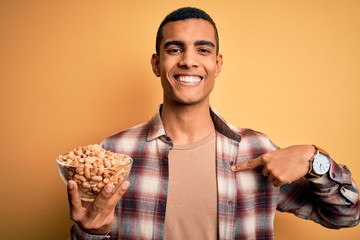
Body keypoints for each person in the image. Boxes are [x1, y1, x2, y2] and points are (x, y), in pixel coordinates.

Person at [67, 7, 359, 240]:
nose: (189, 60)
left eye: (203, 50)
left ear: (217, 64)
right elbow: (90, 227)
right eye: (175, 49)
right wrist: (91, 234)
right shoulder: (113, 153)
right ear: (157, 64)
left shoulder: (256, 149)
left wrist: (314, 158)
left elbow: (347, 215)